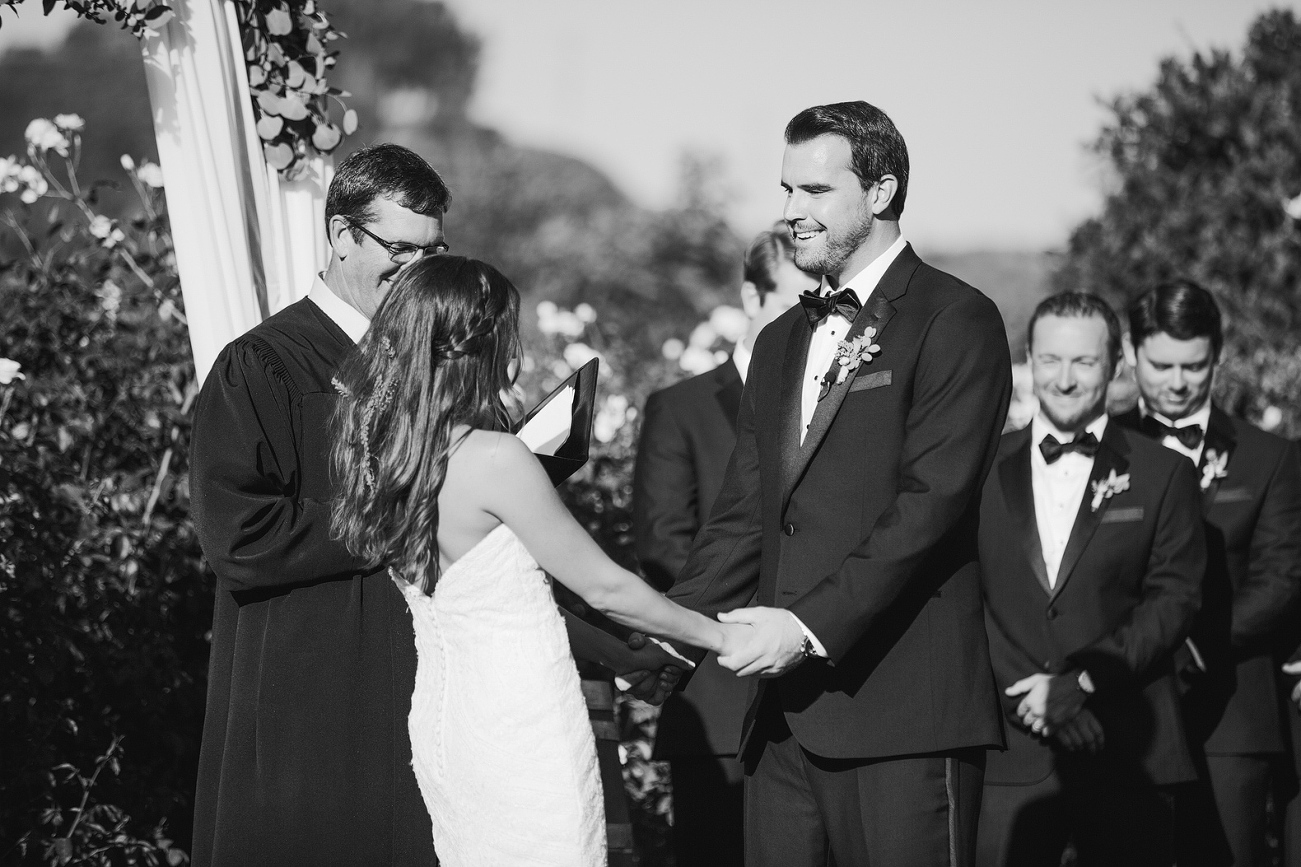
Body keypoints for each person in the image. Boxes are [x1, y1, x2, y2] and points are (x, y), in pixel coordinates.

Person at [189, 144, 677, 867]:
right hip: (314, 703)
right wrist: (403, 505)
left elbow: (487, 565)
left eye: (432, 251)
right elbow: (240, 536)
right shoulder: (263, 366)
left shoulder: (438, 374)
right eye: (398, 248)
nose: (415, 268)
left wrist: (613, 643)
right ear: (340, 234)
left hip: (436, 707)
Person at [666, 101, 1012, 867]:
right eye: (786, 190)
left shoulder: (956, 320)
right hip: (780, 730)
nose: (791, 212)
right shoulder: (783, 336)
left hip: (904, 720)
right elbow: (743, 517)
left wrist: (804, 628)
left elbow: (930, 506)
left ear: (881, 191)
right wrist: (662, 632)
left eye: (815, 192)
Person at [328, 254, 747, 867]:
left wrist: (629, 656)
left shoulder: (388, 458)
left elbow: (495, 604)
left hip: (449, 725)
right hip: (521, 725)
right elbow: (606, 587)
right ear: (482, 345)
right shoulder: (497, 459)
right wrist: (720, 636)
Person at [976, 292, 1206, 867]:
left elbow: (1174, 599)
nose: (1066, 378)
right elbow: (958, 595)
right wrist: (1029, 696)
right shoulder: (977, 470)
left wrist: (1080, 686)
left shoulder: (1165, 474)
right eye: (1051, 359)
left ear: (1115, 366)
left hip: (1130, 748)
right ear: (1029, 360)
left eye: (1084, 362)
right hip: (1010, 752)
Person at [633, 222, 818, 867]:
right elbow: (665, 549)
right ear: (750, 296)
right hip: (719, 698)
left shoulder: (832, 403)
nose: (811, 316)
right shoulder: (679, 408)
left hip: (820, 693)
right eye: (796, 299)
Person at [1114, 279, 1301, 867]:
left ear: (1217, 356)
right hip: (1122, 712)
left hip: (1233, 720)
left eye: (1194, 366)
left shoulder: (1270, 458)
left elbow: (1280, 581)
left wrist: (1188, 651)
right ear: (1130, 351)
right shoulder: (1099, 447)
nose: (1177, 382)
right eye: (1162, 365)